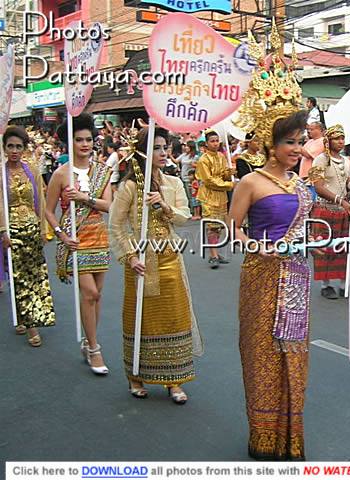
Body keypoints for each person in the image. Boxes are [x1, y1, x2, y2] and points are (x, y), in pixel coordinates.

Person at [229, 35, 313, 458]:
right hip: (262, 277)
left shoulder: (300, 182)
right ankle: (262, 437)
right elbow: (231, 229)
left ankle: (290, 436)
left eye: (301, 141)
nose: (297, 150)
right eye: (290, 142)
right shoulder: (251, 181)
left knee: (293, 352)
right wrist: (255, 247)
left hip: (296, 275)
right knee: (263, 351)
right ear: (269, 143)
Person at [109, 127, 202, 403]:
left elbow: (184, 217)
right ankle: (135, 375)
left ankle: (174, 380)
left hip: (169, 258)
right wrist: (131, 256)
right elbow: (116, 225)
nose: (163, 153)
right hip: (140, 262)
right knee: (140, 319)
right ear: (142, 152)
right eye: (157, 148)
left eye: (165, 147)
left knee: (174, 316)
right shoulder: (129, 186)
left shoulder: (173, 183)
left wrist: (165, 206)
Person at [45, 113, 113, 374]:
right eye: (79, 140)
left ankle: (88, 341)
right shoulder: (61, 174)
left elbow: (109, 206)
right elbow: (49, 211)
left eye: (88, 139)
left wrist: (84, 197)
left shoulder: (102, 171)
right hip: (75, 239)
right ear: (69, 142)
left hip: (99, 237)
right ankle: (95, 348)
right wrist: (62, 235)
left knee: (97, 295)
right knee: (90, 294)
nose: (85, 144)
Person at [1, 126, 56, 346]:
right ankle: (31, 324)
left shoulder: (31, 169)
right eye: (10, 146)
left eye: (18, 146)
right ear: (4, 148)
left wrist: (43, 228)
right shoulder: (1, 172)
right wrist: (3, 231)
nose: (14, 150)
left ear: (24, 148)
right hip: (11, 231)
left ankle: (27, 315)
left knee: (35, 274)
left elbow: (40, 200)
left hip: (32, 228)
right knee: (18, 275)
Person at [308, 124, 350, 299]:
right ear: (328, 141)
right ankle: (325, 284)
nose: (341, 142)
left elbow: (343, 183)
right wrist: (340, 201)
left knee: (343, 247)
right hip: (325, 210)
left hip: (343, 210)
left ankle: (343, 284)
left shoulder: (346, 161)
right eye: (337, 139)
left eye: (342, 138)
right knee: (324, 246)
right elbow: (318, 187)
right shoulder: (319, 160)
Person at [195, 129, 234, 268]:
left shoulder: (221, 156)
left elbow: (223, 175)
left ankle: (216, 253)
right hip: (209, 195)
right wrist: (229, 185)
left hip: (221, 196)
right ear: (206, 143)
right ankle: (213, 255)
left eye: (217, 141)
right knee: (212, 226)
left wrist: (229, 173)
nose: (215, 143)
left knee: (219, 227)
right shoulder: (203, 160)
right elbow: (209, 180)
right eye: (212, 141)